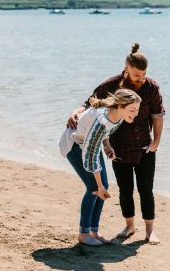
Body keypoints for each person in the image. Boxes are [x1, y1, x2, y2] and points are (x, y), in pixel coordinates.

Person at [67, 43, 165, 244]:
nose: (141, 78)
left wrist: (156, 141)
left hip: (145, 148)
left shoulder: (151, 87)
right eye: (137, 74)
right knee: (124, 190)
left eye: (144, 73)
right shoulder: (112, 86)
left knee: (146, 190)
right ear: (127, 68)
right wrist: (75, 112)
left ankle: (149, 231)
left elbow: (157, 115)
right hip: (118, 148)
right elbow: (91, 104)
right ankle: (129, 226)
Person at [60, 89, 141, 246]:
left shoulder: (118, 115)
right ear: (121, 106)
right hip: (74, 144)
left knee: (102, 186)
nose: (135, 113)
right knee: (94, 188)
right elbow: (90, 155)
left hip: (89, 144)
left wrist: (107, 145)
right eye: (132, 109)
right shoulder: (102, 121)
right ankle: (84, 234)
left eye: (137, 109)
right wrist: (99, 186)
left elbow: (105, 133)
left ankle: (94, 231)